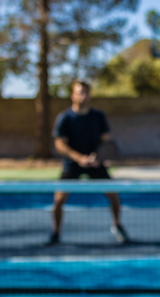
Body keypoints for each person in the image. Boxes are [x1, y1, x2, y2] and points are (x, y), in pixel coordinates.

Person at [48, 80, 128, 246]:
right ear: (72, 95)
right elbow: (60, 144)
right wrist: (79, 158)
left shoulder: (98, 116)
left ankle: (117, 226)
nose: (82, 95)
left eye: (85, 92)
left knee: (114, 196)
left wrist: (97, 157)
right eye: (79, 92)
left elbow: (106, 140)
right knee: (58, 201)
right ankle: (55, 233)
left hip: (95, 164)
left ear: (89, 95)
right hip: (72, 164)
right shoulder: (65, 118)